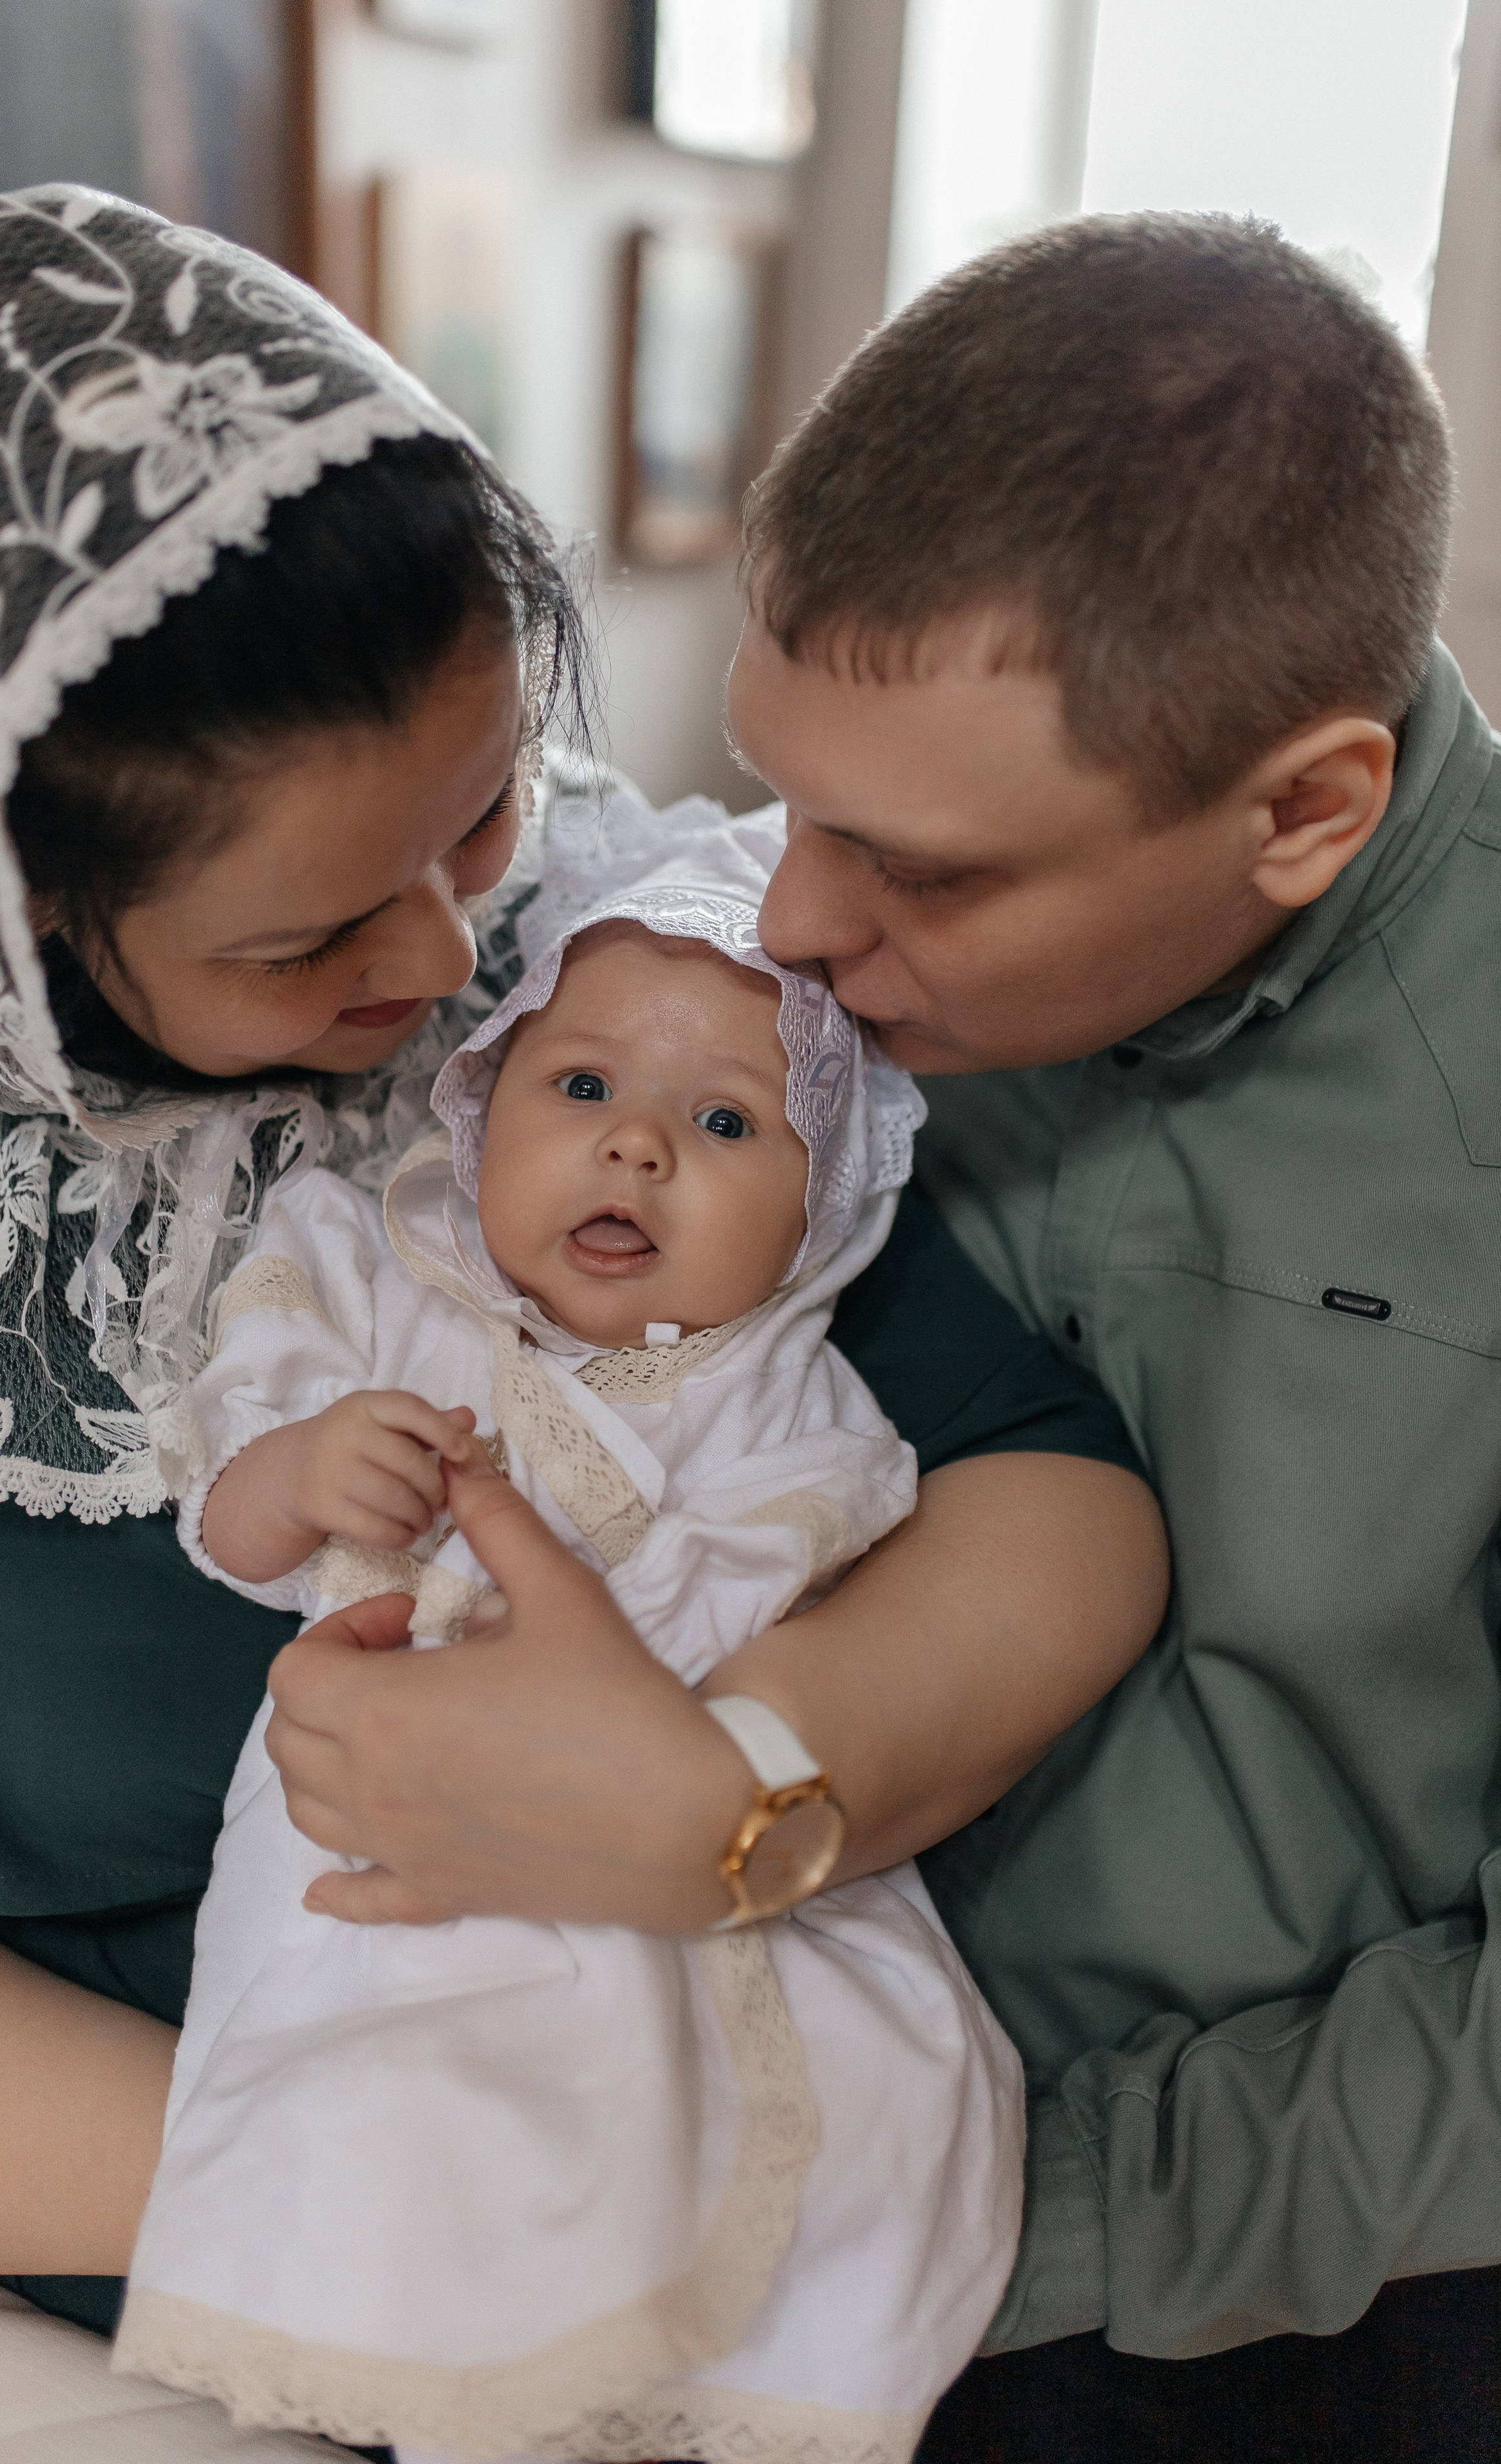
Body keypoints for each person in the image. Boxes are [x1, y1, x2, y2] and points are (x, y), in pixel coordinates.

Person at [0, 184, 1163, 2365]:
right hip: (229, 2292)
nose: (453, 957)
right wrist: (467, 2218)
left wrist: (733, 1792)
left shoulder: (608, 982)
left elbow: (1046, 1483)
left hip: (765, 2196)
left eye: (480, 816)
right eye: (307, 939)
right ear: (18, 937)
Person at [255, 212, 1501, 2462]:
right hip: (676, 2169)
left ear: (1303, 810)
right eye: (783, 795)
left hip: (1216, 2305)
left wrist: (1011, 2227)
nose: (795, 918)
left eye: (916, 866)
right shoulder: (743, 976)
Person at [116, 817, 1023, 2460]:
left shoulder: (785, 1391)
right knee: (410, 2103)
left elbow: (788, 1585)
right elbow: (230, 1533)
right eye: (582, 1086)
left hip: (647, 1795)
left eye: (726, 1122)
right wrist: (301, 1472)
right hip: (374, 1799)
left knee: (851, 2098)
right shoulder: (380, 1282)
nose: (634, 1150)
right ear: (477, 1111)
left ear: (816, 1217)